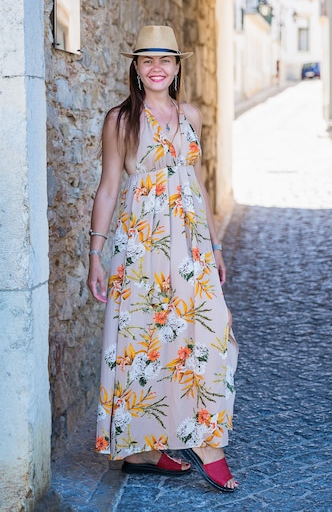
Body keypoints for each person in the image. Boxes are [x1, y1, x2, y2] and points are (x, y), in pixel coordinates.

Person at [87, 25, 239, 493]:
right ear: (135, 67)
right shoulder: (120, 120)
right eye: (147, 60)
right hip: (141, 246)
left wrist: (214, 246)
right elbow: (110, 187)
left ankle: (205, 441)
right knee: (144, 342)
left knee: (212, 333)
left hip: (190, 245)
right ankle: (141, 450)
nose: (157, 67)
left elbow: (197, 184)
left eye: (166, 60)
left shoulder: (190, 114)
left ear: (177, 67)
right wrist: (95, 253)